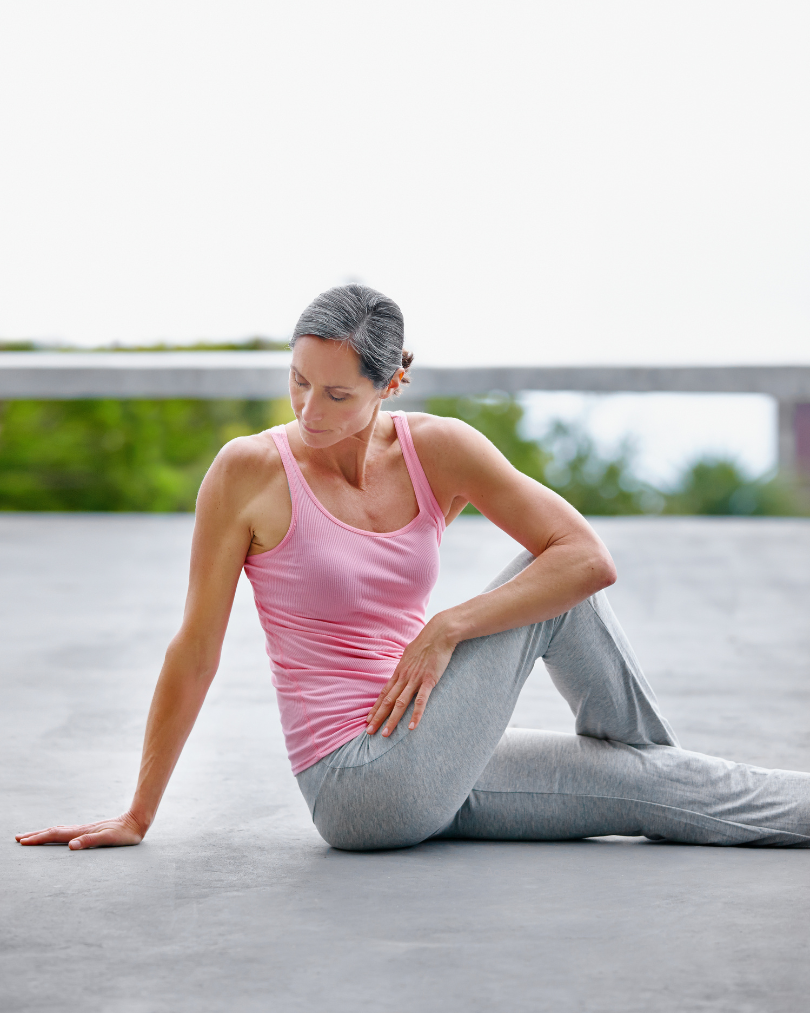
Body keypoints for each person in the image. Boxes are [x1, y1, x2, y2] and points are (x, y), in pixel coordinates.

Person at [16, 285, 810, 852]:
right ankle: (658, 760)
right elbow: (195, 650)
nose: (308, 411)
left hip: (431, 746)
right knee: (560, 606)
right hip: (356, 782)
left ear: (391, 383)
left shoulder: (438, 449)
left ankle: (659, 766)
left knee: (640, 779)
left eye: (336, 394)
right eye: (298, 381)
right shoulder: (247, 473)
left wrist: (446, 627)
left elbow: (587, 559)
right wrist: (139, 812)